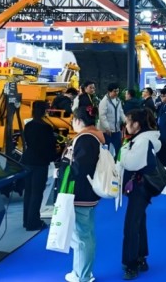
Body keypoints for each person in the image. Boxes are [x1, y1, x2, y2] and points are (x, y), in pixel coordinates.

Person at [119, 108, 162, 280]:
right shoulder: (146, 138)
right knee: (138, 222)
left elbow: (129, 163)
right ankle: (141, 257)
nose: (126, 125)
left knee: (131, 226)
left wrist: (124, 149)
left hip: (139, 188)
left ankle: (131, 264)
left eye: (128, 121)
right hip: (142, 187)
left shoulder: (142, 141)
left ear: (136, 124)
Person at [65, 106, 105, 282]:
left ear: (78, 121)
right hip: (89, 192)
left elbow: (80, 168)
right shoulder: (95, 136)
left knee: (81, 236)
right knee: (86, 234)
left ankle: (82, 275)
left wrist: (64, 168)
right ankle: (83, 272)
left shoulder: (85, 138)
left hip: (80, 192)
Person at [22, 100, 57, 231]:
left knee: (28, 192)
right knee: (37, 193)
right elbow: (50, 146)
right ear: (44, 111)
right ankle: (33, 222)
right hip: (40, 162)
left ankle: (26, 220)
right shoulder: (46, 127)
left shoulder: (28, 125)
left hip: (27, 160)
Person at [99, 83, 124, 155]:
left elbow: (121, 112)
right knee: (106, 150)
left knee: (118, 148)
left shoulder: (118, 100)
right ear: (109, 91)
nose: (117, 93)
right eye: (114, 91)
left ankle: (116, 161)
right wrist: (107, 127)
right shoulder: (104, 101)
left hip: (117, 129)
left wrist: (125, 120)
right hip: (107, 131)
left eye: (117, 91)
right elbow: (102, 116)